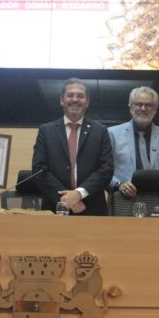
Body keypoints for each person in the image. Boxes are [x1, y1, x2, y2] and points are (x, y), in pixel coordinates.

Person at [32, 78, 113, 215]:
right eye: (70, 95)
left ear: (87, 102)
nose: (75, 99)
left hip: (92, 209)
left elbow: (106, 169)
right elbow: (39, 170)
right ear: (62, 100)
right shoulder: (46, 131)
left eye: (80, 96)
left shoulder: (100, 131)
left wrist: (79, 194)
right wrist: (66, 198)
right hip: (55, 208)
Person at [108, 86, 159, 198]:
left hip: (158, 199)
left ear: (155, 109)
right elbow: (104, 171)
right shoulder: (112, 134)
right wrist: (118, 184)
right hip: (123, 199)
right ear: (130, 107)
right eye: (138, 104)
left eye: (148, 105)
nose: (143, 109)